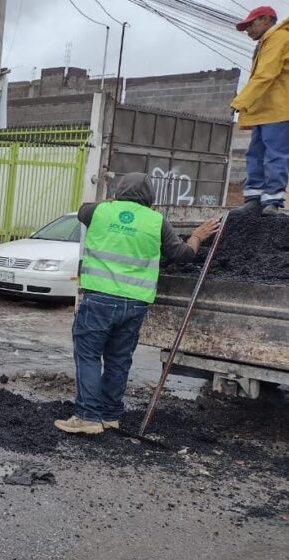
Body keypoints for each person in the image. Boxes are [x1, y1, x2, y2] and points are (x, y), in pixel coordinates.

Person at [54, 172, 220, 435]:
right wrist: (198, 236)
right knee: (119, 360)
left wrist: (112, 201)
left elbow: (82, 209)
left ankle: (88, 416)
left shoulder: (98, 212)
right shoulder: (157, 221)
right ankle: (109, 415)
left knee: (88, 356)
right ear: (150, 197)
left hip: (99, 299)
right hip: (135, 305)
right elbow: (183, 255)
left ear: (118, 192)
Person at [231, 6, 289, 216]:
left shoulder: (278, 38)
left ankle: (272, 200)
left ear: (266, 20)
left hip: (278, 111)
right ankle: (254, 199)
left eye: (251, 24)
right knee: (255, 155)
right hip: (264, 111)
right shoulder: (267, 42)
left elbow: (266, 74)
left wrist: (240, 101)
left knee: (275, 155)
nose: (248, 30)